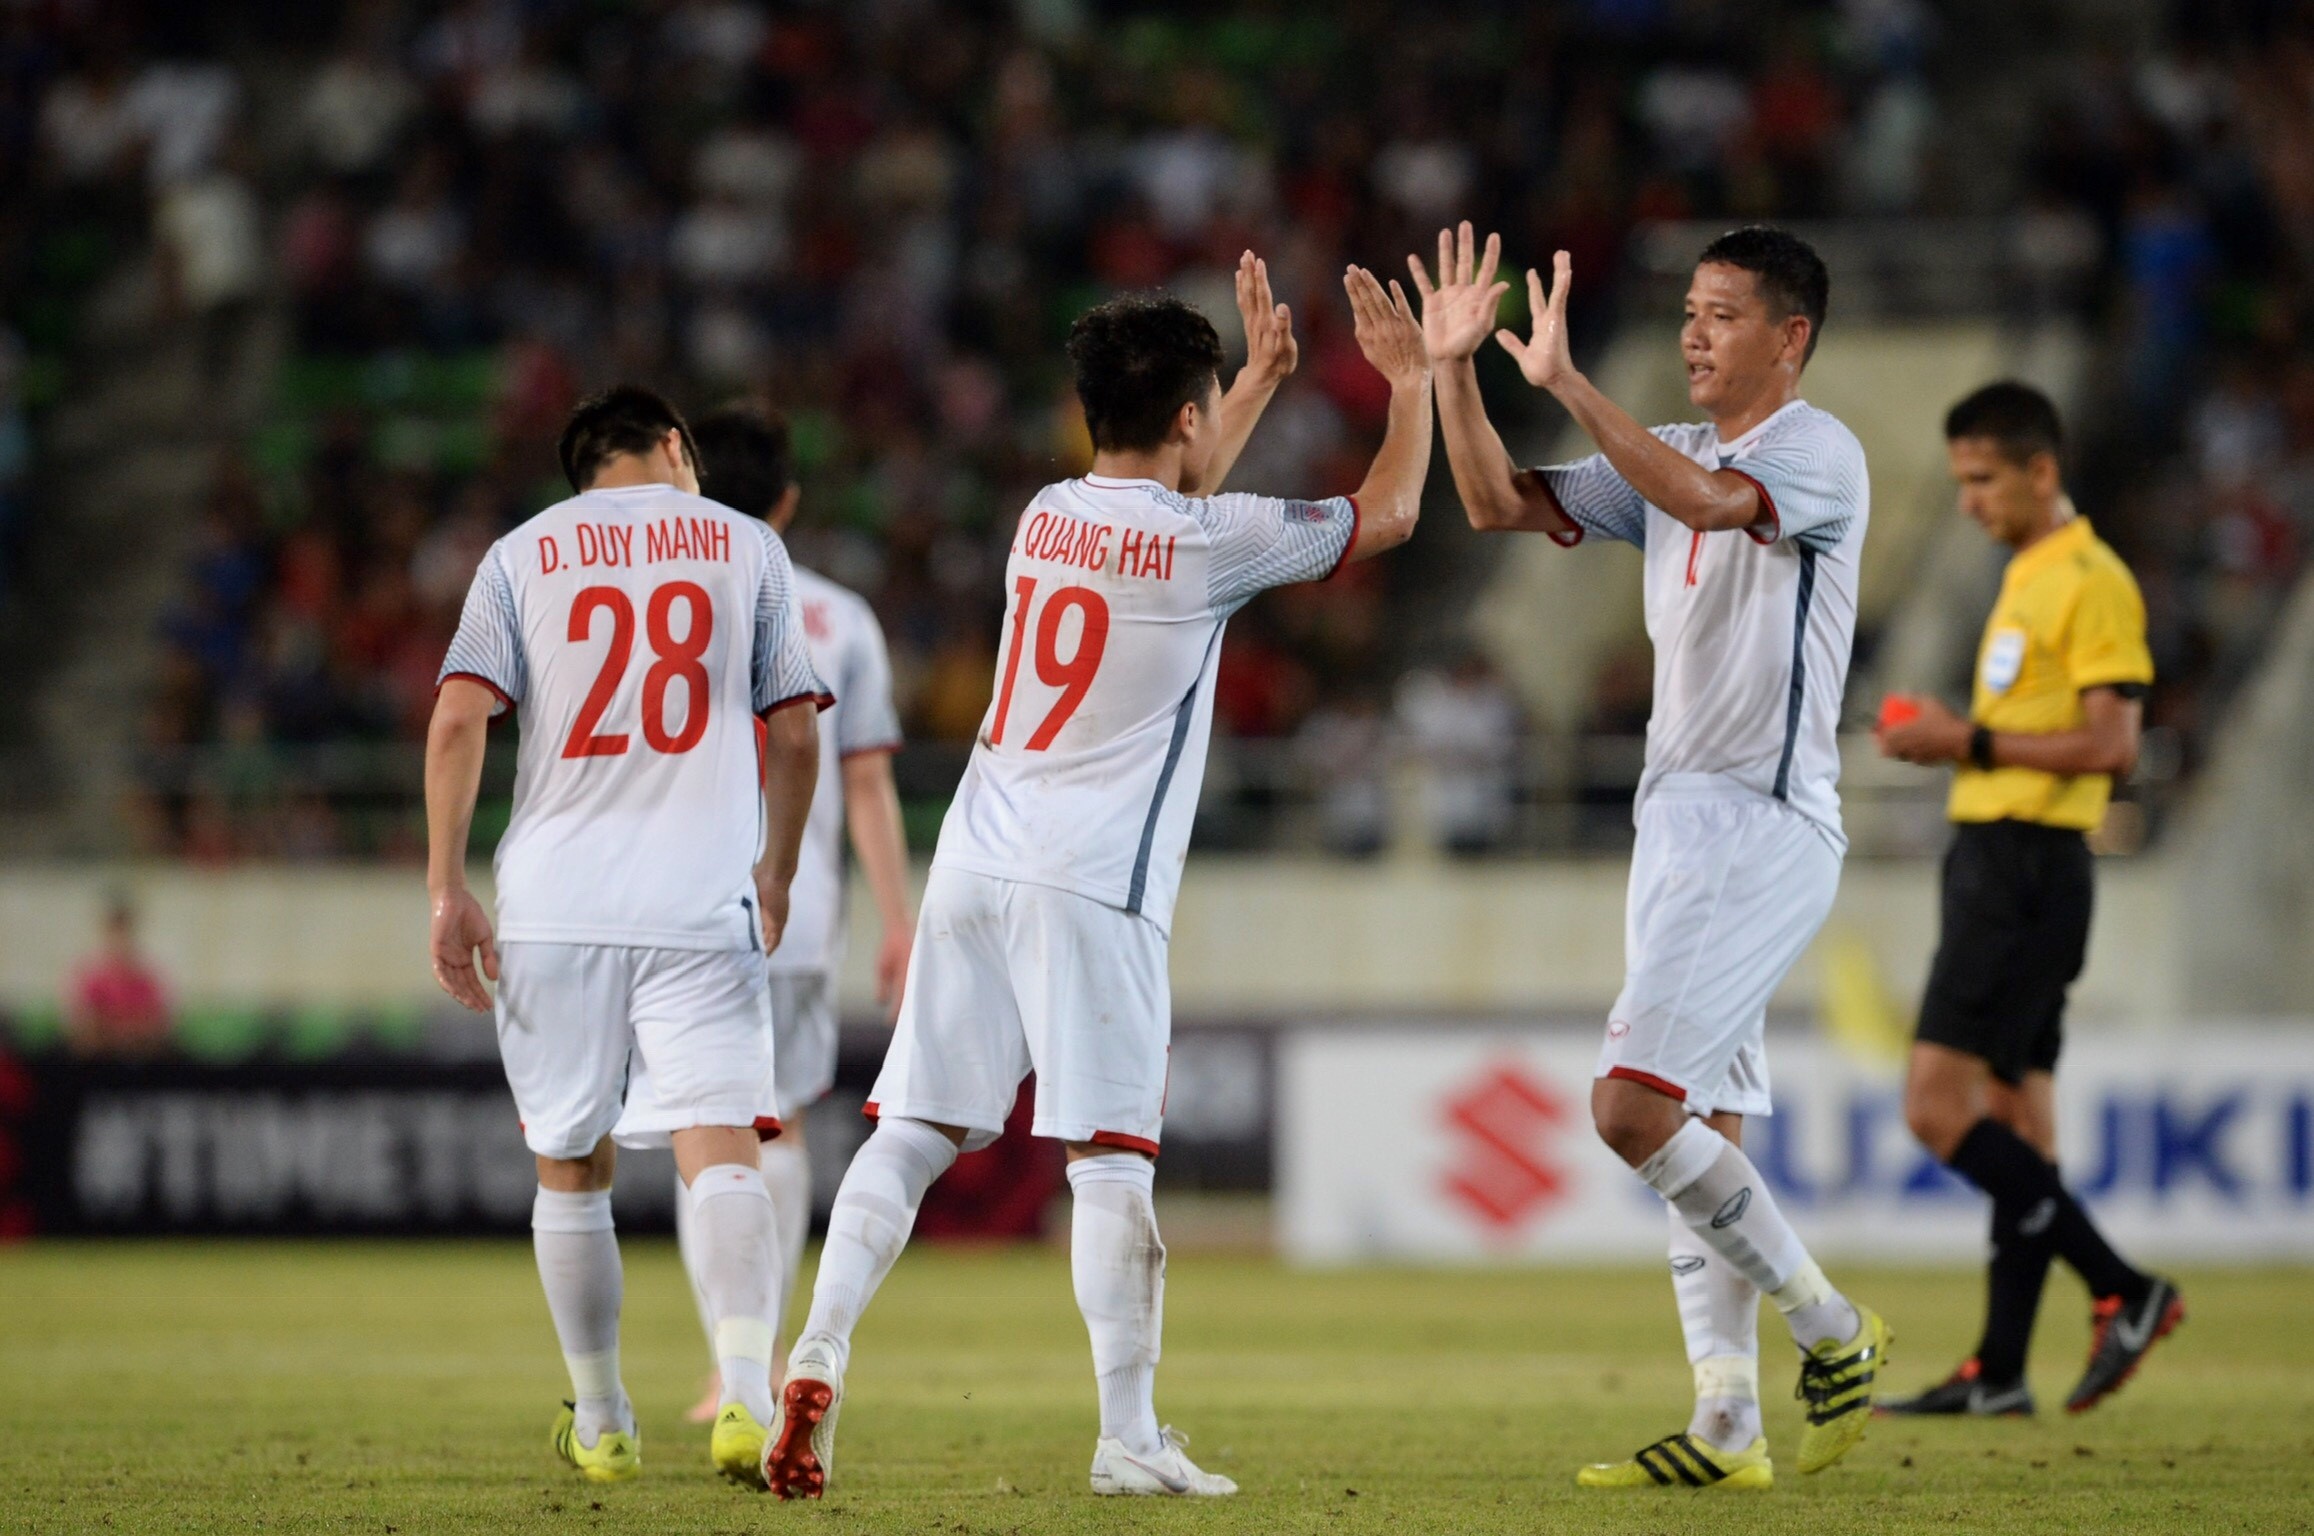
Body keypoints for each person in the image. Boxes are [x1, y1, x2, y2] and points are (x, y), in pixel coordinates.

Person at [761, 253, 1434, 1500]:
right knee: (1110, 1160)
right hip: (1093, 880)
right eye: (1209, 406)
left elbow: (1159, 513)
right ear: (1187, 416)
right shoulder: (1207, 540)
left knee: (909, 1134)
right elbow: (1383, 514)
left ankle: (813, 1352)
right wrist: (1415, 384)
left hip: (974, 857)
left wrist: (1248, 394)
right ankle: (1127, 1437)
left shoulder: (1044, 515)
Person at [1418, 221, 1885, 1490]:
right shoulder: (1666, 448)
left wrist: (1567, 381)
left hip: (1762, 819)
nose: (1691, 331)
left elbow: (1713, 506)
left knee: (1629, 1109)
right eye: (1687, 308)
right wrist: (1453, 372)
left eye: (1721, 313)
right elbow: (1492, 501)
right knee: (1703, 1116)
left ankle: (1835, 1329)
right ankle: (1727, 1422)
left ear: (1789, 338)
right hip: (1675, 816)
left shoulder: (1815, 451)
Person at [425, 384, 826, 1488]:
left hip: (555, 903)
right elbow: (793, 735)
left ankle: (601, 1420)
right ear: (674, 447)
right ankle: (745, 1394)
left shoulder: (519, 554)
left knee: (570, 1166)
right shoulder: (746, 546)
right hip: (699, 896)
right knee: (724, 1144)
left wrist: (444, 887)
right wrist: (777, 870)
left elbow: (460, 717)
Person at [1876, 382, 2182, 1416]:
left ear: (2038, 471)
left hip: (2024, 868)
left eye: (1980, 479)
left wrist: (1963, 740)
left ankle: (2124, 1289)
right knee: (2022, 1124)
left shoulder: (2089, 578)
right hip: (2009, 862)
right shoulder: (2029, 572)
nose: (1967, 501)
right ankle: (2000, 1371)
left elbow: (2111, 745)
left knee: (1934, 1108)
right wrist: (1958, 736)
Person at [608, 404, 914, 1426]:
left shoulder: (648, 602)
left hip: (667, 909)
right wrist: (900, 920)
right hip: (797, 910)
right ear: (786, 499)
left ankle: (725, 1368)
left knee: (704, 1131)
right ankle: (767, 1356)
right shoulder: (836, 617)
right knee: (775, 1135)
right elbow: (866, 783)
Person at [66, 897, 172, 1058]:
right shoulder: (93, 977)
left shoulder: (145, 978)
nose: (121, 939)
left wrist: (132, 1032)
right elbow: (84, 1023)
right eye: (115, 931)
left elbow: (157, 1023)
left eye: (124, 931)